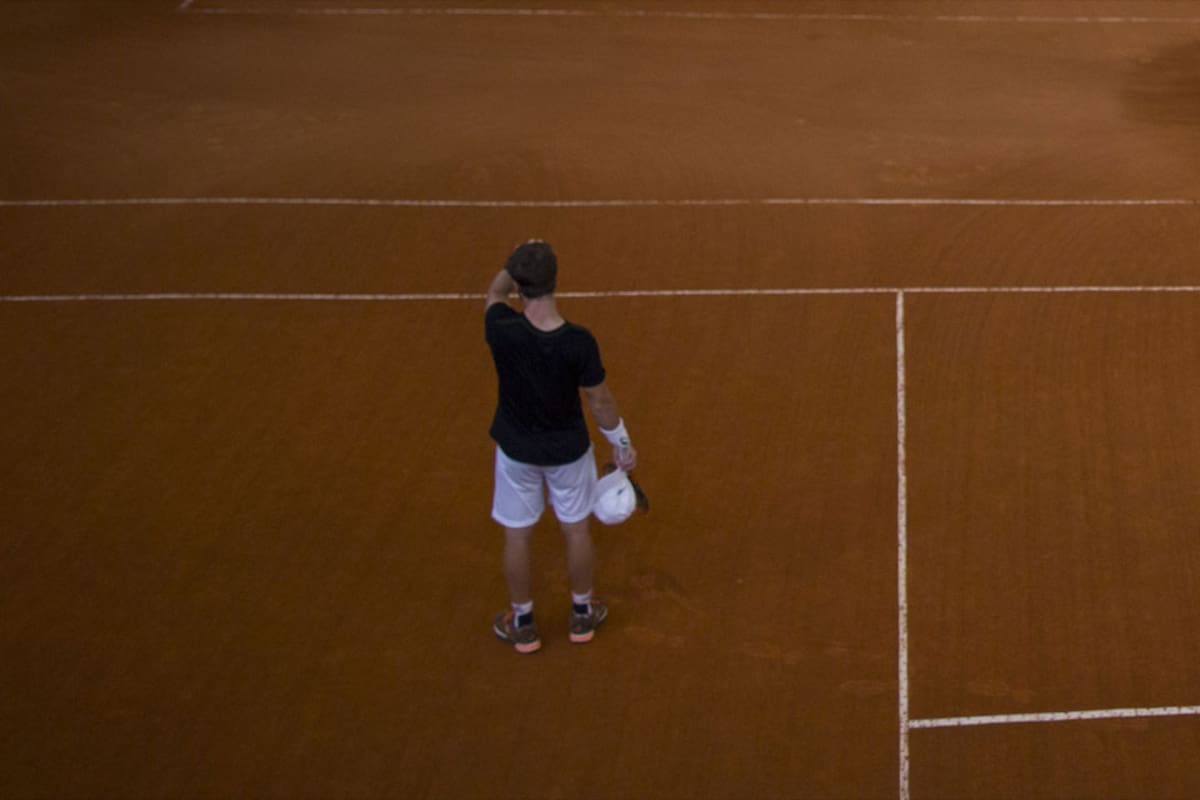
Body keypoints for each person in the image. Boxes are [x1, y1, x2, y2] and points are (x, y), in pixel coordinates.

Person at [484, 240, 638, 654]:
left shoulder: (501, 329)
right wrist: (620, 442)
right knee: (575, 530)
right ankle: (582, 614)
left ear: (519, 283)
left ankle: (523, 622)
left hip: (517, 450)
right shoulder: (578, 342)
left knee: (517, 536)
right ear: (556, 281)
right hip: (568, 452)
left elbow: (494, 294)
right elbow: (600, 400)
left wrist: (512, 262)